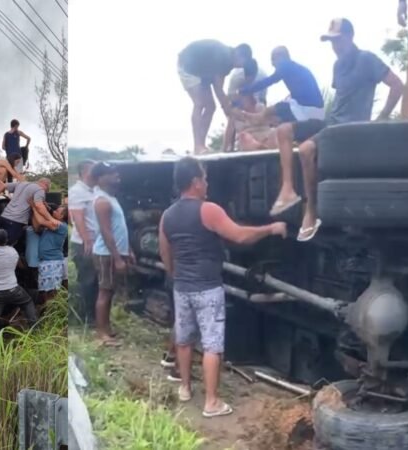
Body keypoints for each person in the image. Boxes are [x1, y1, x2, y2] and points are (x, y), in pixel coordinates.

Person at [159, 157, 287, 415]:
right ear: (195, 182)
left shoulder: (167, 215)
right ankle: (212, 402)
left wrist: (178, 276)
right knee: (212, 345)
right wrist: (271, 228)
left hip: (182, 287)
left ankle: (185, 388)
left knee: (184, 340)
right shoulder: (208, 210)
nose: (207, 183)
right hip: (207, 288)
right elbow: (239, 235)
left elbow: (165, 254)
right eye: (204, 178)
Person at [273, 18, 403, 240]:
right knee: (283, 130)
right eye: (331, 41)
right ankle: (288, 191)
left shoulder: (366, 59)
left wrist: (380, 118)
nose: (335, 46)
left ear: (350, 37)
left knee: (306, 150)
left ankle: (312, 210)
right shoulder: (337, 66)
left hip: (351, 127)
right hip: (331, 123)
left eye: (338, 40)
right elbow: (340, 101)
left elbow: (398, 85)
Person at [236, 46, 325, 127]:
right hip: (317, 111)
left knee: (276, 108)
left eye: (273, 59)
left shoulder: (285, 65)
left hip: (308, 109)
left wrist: (243, 91)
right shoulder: (296, 69)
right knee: (279, 114)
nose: (272, 64)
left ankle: (259, 117)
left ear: (281, 56)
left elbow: (268, 81)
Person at [177, 39, 238, 154]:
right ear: (239, 55)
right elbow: (218, 88)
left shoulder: (229, 62)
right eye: (241, 63)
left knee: (210, 107)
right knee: (199, 103)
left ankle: (201, 144)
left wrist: (227, 109)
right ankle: (197, 146)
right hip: (187, 65)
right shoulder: (224, 56)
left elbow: (219, 87)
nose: (239, 67)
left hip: (201, 72)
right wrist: (228, 110)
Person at [92, 162, 129, 347]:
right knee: (104, 292)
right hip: (106, 254)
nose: (116, 175)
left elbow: (119, 229)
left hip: (113, 253)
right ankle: (101, 333)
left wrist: (128, 250)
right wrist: (117, 258)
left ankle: (106, 328)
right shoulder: (102, 201)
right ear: (100, 179)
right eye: (110, 173)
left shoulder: (110, 198)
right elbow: (107, 232)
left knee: (110, 291)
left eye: (115, 172)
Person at [0, 229, 39, 341]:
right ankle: (35, 331)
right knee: (28, 302)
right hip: (13, 290)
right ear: (6, 240)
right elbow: (19, 266)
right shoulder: (13, 252)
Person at [68, 160, 99, 322]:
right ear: (86, 173)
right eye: (94, 171)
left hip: (95, 242)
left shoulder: (93, 191)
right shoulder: (77, 191)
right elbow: (78, 217)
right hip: (84, 243)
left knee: (95, 279)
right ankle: (88, 316)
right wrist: (87, 240)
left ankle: (95, 314)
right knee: (88, 279)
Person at [223, 59, 277, 152]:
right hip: (249, 137)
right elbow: (230, 130)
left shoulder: (260, 107)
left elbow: (273, 121)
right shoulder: (235, 114)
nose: (249, 97)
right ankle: (258, 146)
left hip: (265, 135)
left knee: (275, 132)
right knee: (244, 137)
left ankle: (266, 146)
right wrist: (226, 148)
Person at [0, 178, 51, 244]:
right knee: (6, 244)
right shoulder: (40, 189)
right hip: (16, 220)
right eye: (46, 191)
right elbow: (39, 206)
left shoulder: (22, 183)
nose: (44, 194)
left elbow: (3, 185)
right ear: (46, 185)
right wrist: (51, 219)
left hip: (4, 216)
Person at [36, 205, 69, 302]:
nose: (54, 211)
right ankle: (49, 312)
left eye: (57, 211)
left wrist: (34, 206)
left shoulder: (61, 226)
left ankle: (52, 312)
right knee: (45, 291)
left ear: (62, 216)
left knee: (51, 292)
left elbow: (41, 221)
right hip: (46, 262)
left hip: (52, 263)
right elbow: (38, 224)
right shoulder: (53, 225)